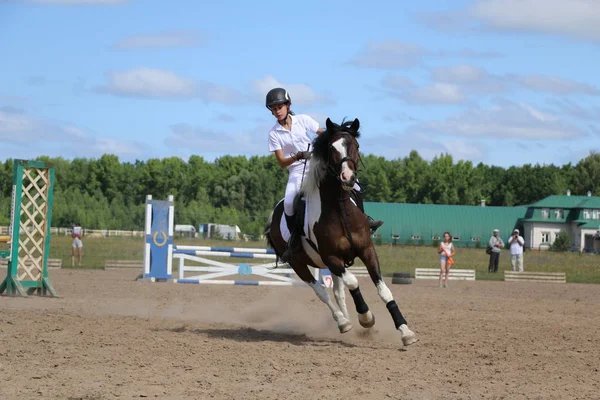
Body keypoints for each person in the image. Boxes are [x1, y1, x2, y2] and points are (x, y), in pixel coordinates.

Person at [266, 87, 383, 263]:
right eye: (273, 109)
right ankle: (294, 242)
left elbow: (326, 135)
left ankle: (365, 221)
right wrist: (298, 156)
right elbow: (282, 162)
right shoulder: (274, 133)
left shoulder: (303, 120)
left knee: (355, 185)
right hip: (297, 172)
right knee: (289, 202)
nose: (277, 112)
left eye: (279, 107)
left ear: (288, 105)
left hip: (317, 165)